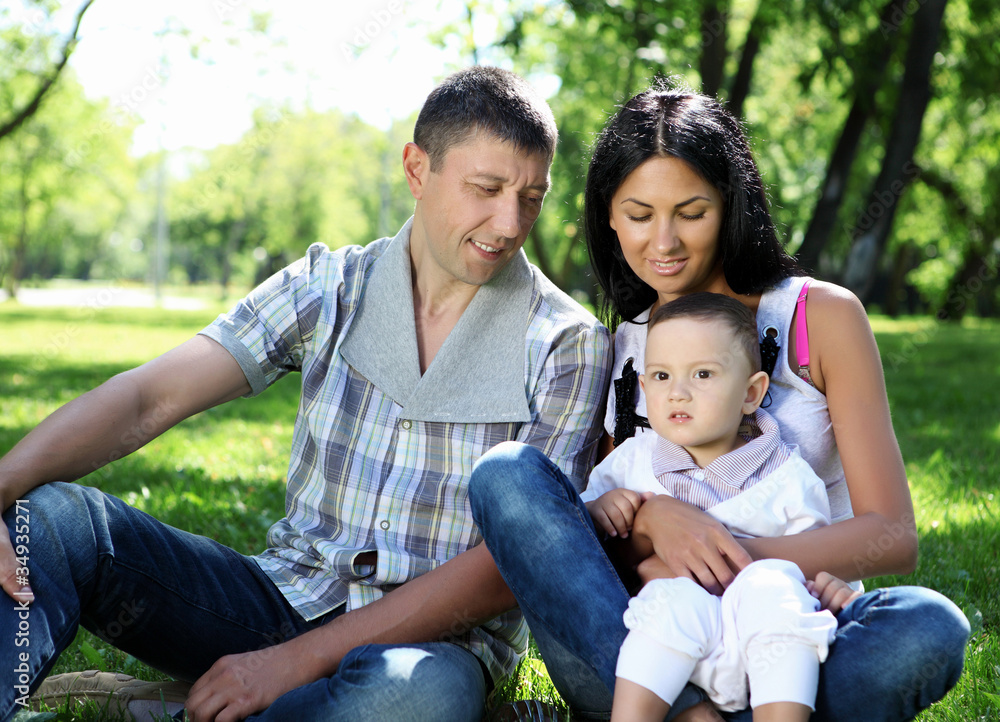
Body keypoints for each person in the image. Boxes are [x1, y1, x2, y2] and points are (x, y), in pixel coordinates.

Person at [0, 66, 612, 722]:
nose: (509, 221)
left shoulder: (567, 343)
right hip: (278, 600)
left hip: (426, 652)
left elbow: (502, 569)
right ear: (417, 169)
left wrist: (290, 665)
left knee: (418, 698)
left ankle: (181, 711)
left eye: (532, 196)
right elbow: (150, 397)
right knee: (51, 521)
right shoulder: (331, 284)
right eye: (486, 189)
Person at [469, 79, 970, 721]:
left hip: (790, 635)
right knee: (507, 475)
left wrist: (730, 559)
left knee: (927, 626)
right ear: (608, 216)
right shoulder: (622, 348)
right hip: (647, 652)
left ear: (730, 204)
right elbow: (596, 544)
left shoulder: (820, 317)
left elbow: (892, 535)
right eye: (639, 215)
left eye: (692, 212)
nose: (665, 243)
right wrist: (651, 522)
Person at [584, 292, 858, 722]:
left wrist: (830, 588)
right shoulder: (630, 464)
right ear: (643, 387)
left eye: (703, 374)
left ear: (751, 393)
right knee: (669, 602)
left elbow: (816, 566)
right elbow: (580, 544)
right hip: (672, 655)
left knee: (776, 588)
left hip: (763, 652)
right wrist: (603, 509)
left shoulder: (788, 478)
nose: (677, 393)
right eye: (660, 376)